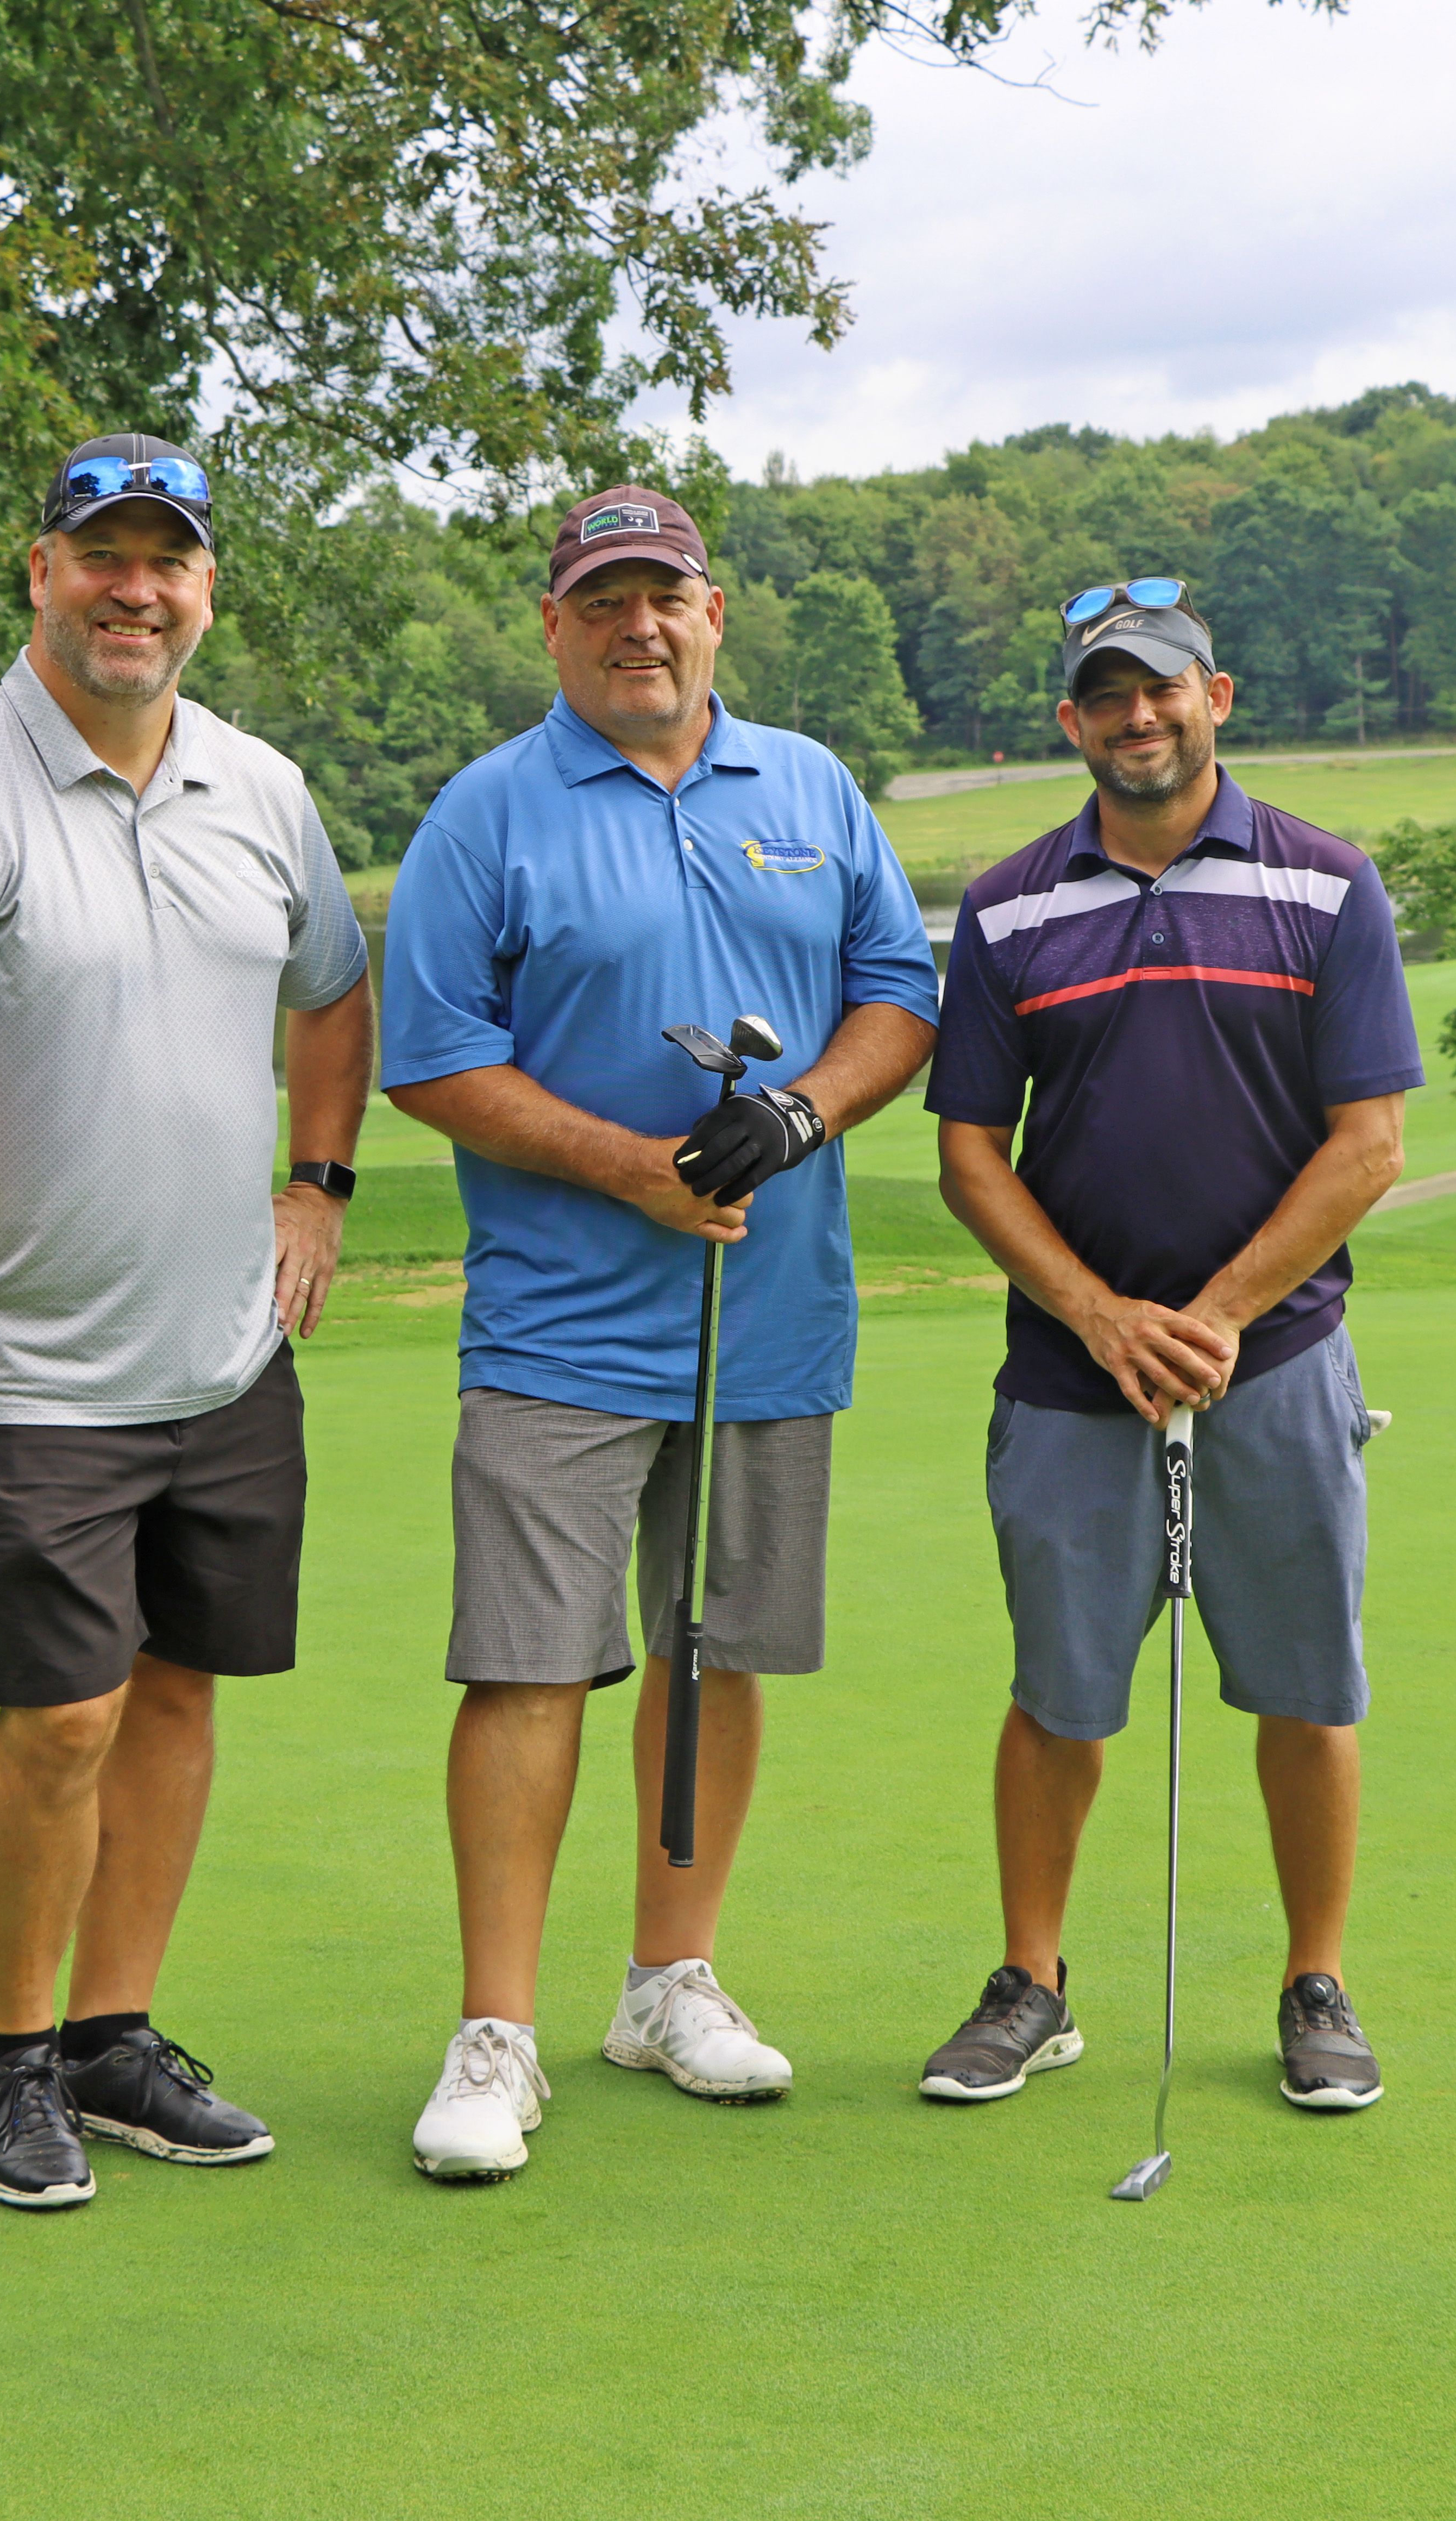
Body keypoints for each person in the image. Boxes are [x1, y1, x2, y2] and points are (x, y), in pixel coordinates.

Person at [0, 433, 373, 2211]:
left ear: (207, 586)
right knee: (62, 1719)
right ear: (39, 569)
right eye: (103, 555)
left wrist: (321, 1185)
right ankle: (15, 2054)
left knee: (181, 1693)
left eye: (172, 559)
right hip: (25, 1367)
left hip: (224, 1353)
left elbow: (334, 1001)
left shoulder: (263, 791)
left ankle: (117, 2037)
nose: (139, 588)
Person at [379, 484, 940, 2182]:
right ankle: (496, 2034)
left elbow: (899, 992)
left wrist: (806, 1117)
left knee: (719, 1649)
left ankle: (667, 1982)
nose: (640, 627)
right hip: (558, 1325)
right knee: (529, 1663)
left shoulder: (815, 786)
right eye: (604, 600)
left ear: (716, 615)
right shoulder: (490, 812)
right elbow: (429, 1052)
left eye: (667, 598)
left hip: (768, 1319)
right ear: (555, 625)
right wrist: (626, 1164)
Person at [915, 581, 1417, 2115]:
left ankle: (1314, 1982)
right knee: (1060, 1696)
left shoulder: (1329, 887)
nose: (1140, 717)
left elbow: (1368, 1144)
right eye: (1108, 696)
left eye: (1165, 690)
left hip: (1271, 1362)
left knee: (1304, 1689)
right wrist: (1100, 1313)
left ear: (1220, 699)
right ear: (1073, 722)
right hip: (1074, 1374)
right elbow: (970, 1157)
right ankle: (1031, 1984)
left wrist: (1213, 1316)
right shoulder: (1005, 908)